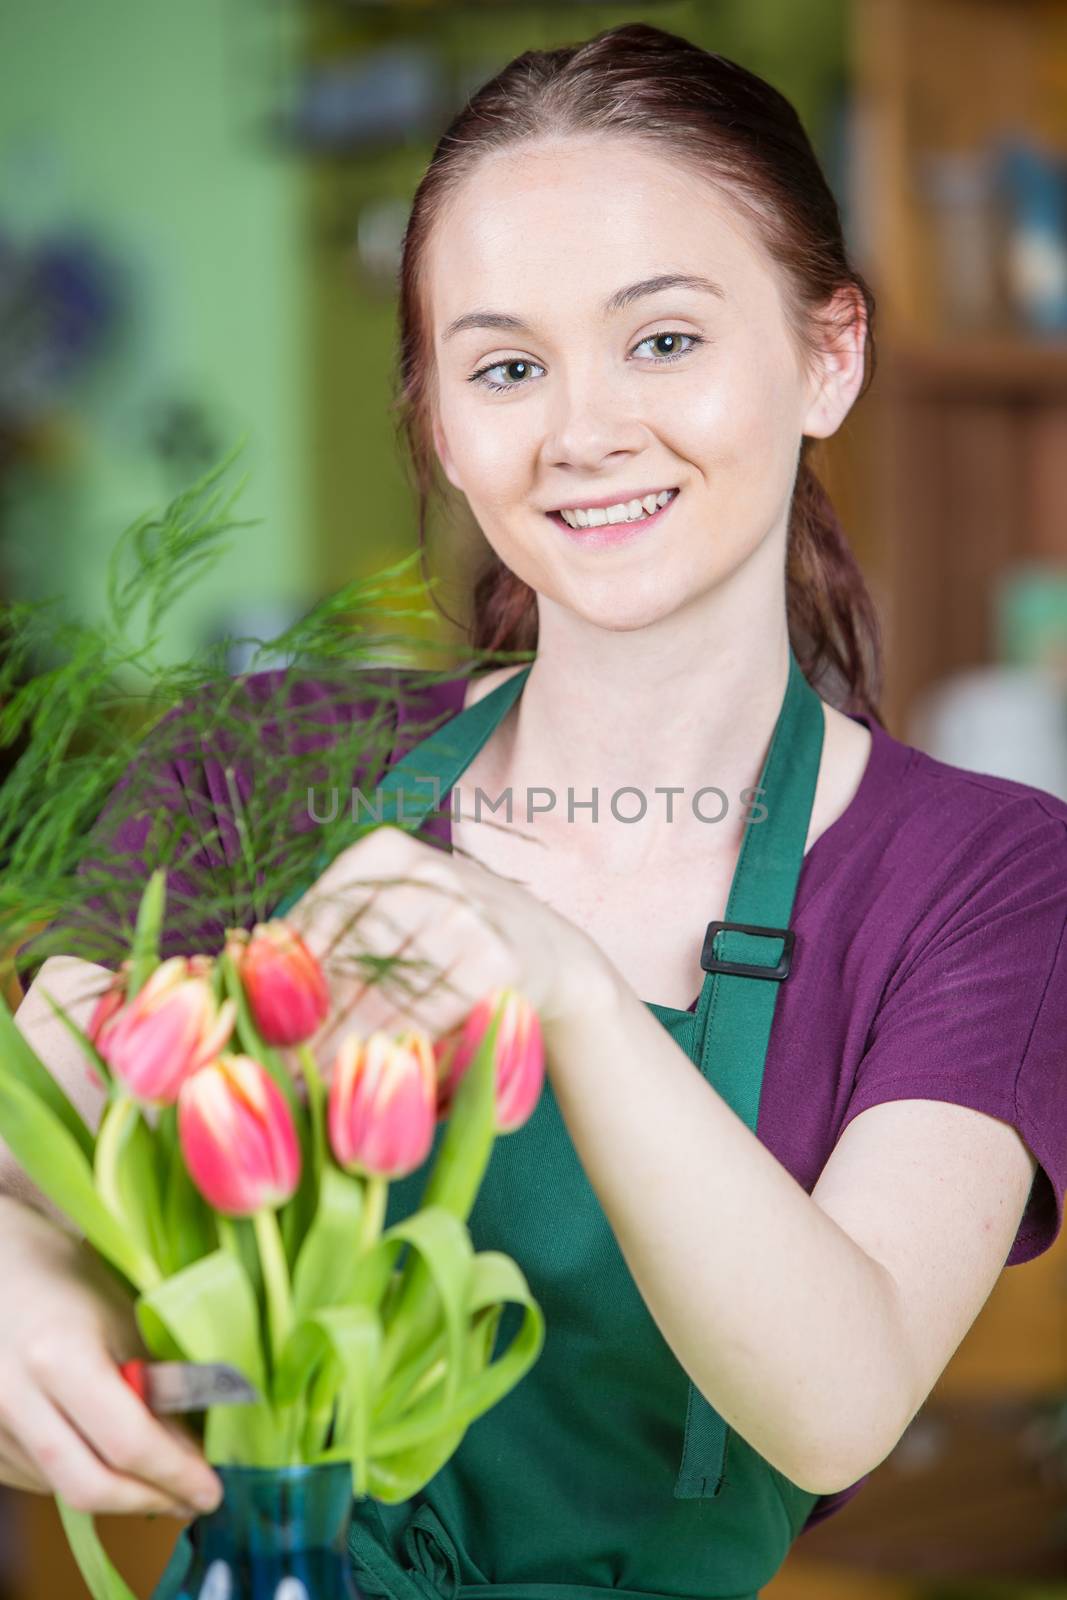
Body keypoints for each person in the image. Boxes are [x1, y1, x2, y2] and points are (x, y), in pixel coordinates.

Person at [4, 21, 1066, 1600]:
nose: (581, 431)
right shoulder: (260, 757)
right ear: (441, 416)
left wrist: (555, 979)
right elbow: (44, 1146)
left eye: (663, 340)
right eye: (507, 365)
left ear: (828, 356)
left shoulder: (985, 874)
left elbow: (843, 1399)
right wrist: (16, 1280)